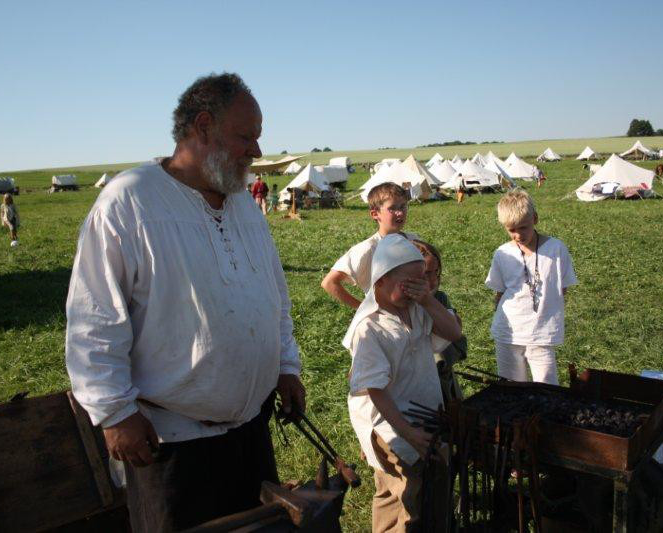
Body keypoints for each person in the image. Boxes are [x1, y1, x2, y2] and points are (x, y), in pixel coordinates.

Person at [65, 73, 306, 532]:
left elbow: (274, 296)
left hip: (250, 433)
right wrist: (115, 413)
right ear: (203, 126)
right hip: (171, 445)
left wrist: (286, 366)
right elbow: (94, 319)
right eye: (246, 136)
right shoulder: (130, 202)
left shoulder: (242, 205)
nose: (256, 151)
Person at [345, 234, 463, 532]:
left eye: (420, 282)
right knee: (405, 494)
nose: (415, 290)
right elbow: (376, 391)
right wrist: (407, 432)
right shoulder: (370, 327)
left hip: (423, 412)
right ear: (381, 280)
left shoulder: (417, 308)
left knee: (420, 489)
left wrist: (427, 299)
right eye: (407, 284)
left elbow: (453, 333)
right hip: (390, 424)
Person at [485, 189, 577, 385]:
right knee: (511, 387)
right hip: (508, 332)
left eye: (523, 227)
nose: (518, 235)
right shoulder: (502, 253)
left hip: (541, 332)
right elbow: (499, 292)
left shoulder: (556, 249)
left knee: (546, 386)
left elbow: (562, 288)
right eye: (511, 230)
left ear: (535, 218)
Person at [321, 183, 415, 309]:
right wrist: (364, 309)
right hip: (386, 317)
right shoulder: (368, 248)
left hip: (415, 313)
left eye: (403, 206)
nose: (400, 213)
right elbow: (329, 283)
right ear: (375, 214)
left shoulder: (413, 241)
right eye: (392, 208)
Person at [413, 239, 468, 404]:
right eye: (426, 273)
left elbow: (456, 335)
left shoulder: (439, 298)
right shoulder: (400, 306)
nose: (433, 280)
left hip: (441, 377)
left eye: (435, 272)